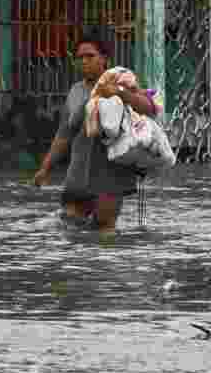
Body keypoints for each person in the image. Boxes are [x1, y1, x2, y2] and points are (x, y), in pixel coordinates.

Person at [33, 28, 158, 233]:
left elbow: (149, 107)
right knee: (69, 229)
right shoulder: (75, 92)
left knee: (104, 232)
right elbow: (63, 135)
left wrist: (120, 93)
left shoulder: (121, 82)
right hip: (78, 175)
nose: (84, 61)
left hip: (112, 176)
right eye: (80, 57)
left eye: (90, 56)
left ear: (104, 59)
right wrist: (45, 168)